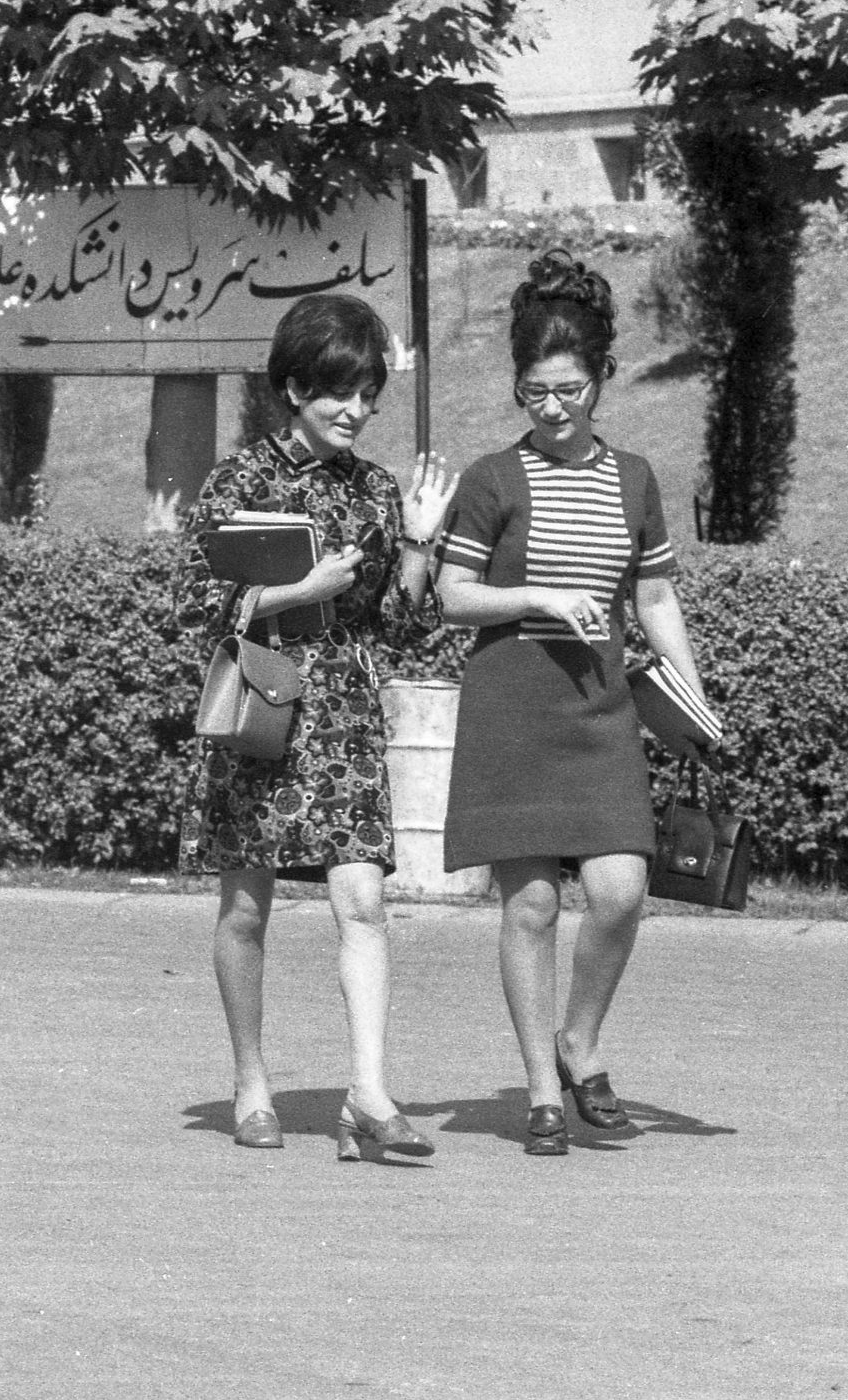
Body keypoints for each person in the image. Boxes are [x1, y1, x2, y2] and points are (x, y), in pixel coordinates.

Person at [434, 249, 709, 1157]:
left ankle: (579, 1038)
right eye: (533, 392)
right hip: (511, 704)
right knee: (531, 907)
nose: (551, 409)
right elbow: (451, 595)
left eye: (569, 390)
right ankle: (546, 1089)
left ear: (604, 380)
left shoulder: (634, 478)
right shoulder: (490, 478)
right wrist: (540, 600)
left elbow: (656, 598)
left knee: (622, 892)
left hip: (599, 709)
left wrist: (695, 702)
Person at [179, 293, 459, 1161]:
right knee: (245, 907)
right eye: (340, 392)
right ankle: (252, 1082)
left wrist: (415, 546)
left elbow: (404, 632)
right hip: (262, 706)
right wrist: (302, 592)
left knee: (364, 899)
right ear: (295, 387)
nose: (356, 411)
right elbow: (193, 608)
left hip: (341, 718)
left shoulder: (374, 489)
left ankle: (367, 1093)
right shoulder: (236, 484)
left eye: (369, 394)